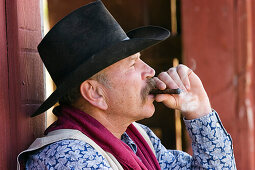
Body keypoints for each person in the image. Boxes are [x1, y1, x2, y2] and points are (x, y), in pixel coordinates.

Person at [18, 0, 236, 169]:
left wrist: (200, 111)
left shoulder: (136, 138)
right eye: (133, 64)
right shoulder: (70, 158)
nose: (150, 71)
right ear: (95, 93)